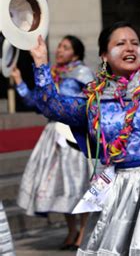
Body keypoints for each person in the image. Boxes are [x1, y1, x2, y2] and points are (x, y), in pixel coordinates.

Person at [28, 22, 140, 255]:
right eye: (120, 43)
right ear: (104, 55)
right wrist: (40, 63)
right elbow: (54, 107)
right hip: (120, 187)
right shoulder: (96, 97)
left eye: (133, 43)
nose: (130, 48)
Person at [11, 35, 93, 250]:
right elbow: (37, 104)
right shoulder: (52, 74)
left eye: (65, 47)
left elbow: (91, 102)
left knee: (79, 185)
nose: (59, 50)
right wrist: (19, 81)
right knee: (61, 185)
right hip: (53, 137)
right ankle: (71, 231)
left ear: (75, 53)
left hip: (73, 135)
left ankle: (83, 232)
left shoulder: (83, 73)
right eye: (59, 46)